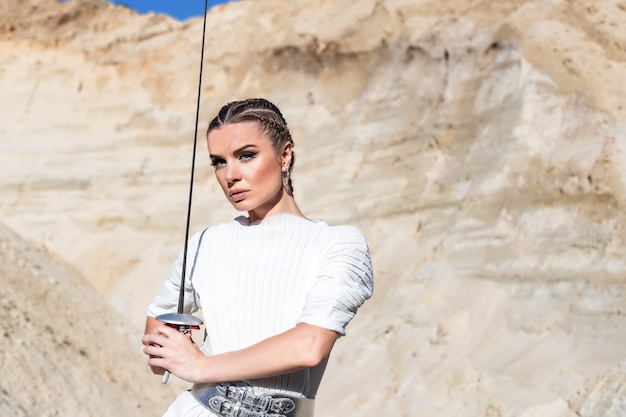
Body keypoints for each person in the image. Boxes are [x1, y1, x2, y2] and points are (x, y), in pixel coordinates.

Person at [142, 98, 374, 417]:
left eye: (246, 155)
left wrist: (202, 365)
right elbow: (160, 318)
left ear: (285, 155)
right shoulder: (206, 243)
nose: (230, 175)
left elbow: (309, 346)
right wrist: (172, 351)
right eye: (219, 162)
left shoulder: (338, 243)